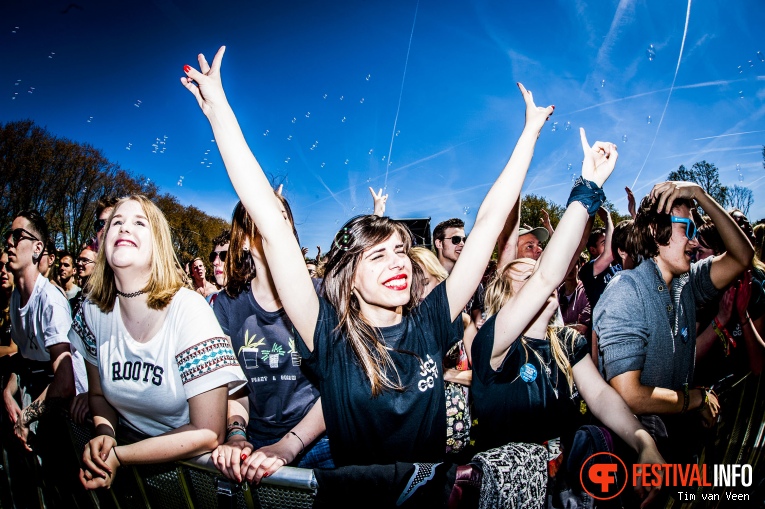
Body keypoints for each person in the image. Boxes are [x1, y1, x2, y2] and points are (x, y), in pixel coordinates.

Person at [182, 46, 551, 469]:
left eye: (400, 250)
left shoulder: (431, 321)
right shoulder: (330, 336)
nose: (397, 262)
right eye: (376, 256)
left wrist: (529, 134)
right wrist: (219, 112)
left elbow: (487, 224)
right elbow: (268, 217)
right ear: (348, 278)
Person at [470, 131, 665, 506]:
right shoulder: (493, 345)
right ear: (505, 297)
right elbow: (548, 274)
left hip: (571, 492)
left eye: (537, 272)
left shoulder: (568, 343)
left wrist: (643, 440)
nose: (538, 280)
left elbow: (603, 397)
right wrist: (588, 186)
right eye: (524, 280)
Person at [68, 195, 246, 489]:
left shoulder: (188, 309)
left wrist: (120, 455)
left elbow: (208, 431)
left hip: (189, 479)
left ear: (159, 245)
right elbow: (97, 395)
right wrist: (105, 431)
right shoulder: (92, 311)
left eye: (139, 223)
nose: (124, 228)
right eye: (116, 222)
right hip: (129, 478)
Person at [593, 182, 753, 463]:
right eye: (686, 230)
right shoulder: (626, 290)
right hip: (637, 456)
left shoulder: (689, 281)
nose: (694, 242)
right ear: (655, 230)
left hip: (679, 444)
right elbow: (630, 395)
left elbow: (742, 256)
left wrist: (700, 195)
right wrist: (696, 399)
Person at [211, 200, 332, 485]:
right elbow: (234, 385)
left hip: (321, 440)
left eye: (281, 217)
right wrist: (237, 433)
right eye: (261, 215)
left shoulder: (323, 294)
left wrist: (289, 444)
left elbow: (339, 385)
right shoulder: (228, 303)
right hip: (255, 443)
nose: (273, 224)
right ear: (240, 239)